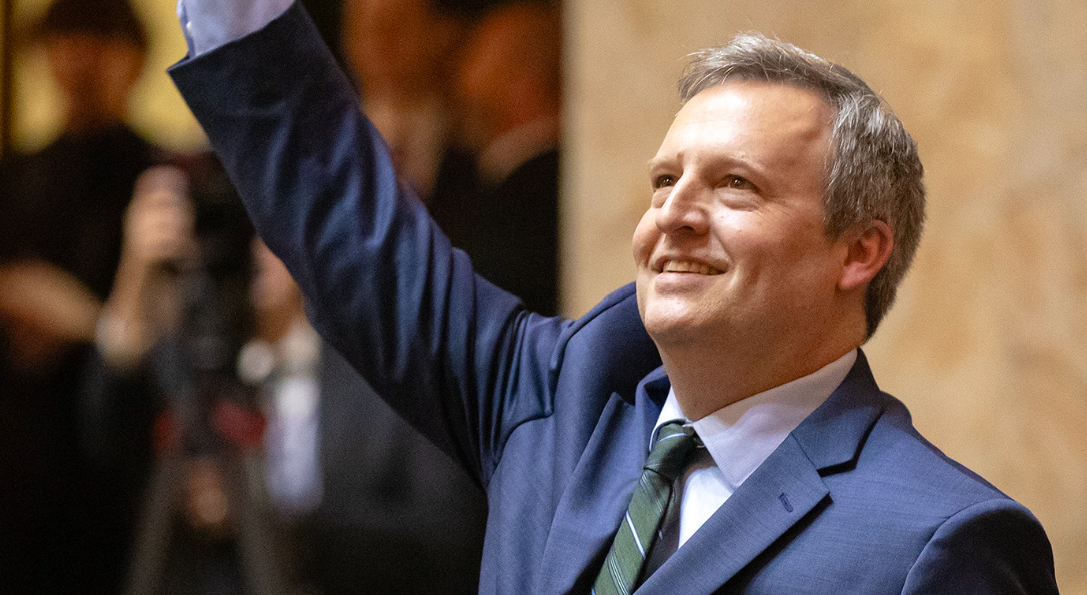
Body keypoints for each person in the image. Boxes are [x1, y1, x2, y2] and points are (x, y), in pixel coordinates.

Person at [169, 2, 1059, 594]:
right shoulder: (557, 402)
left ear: (859, 250)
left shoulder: (935, 541)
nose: (673, 214)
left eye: (734, 186)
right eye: (664, 180)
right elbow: (352, 233)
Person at [0, 0, 162, 591]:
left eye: (99, 42)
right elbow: (14, 285)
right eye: (64, 42)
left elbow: (164, 308)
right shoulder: (18, 173)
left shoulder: (159, 170)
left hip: (120, 454)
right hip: (22, 450)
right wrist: (106, 324)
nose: (79, 60)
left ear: (134, 57)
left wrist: (90, 323)